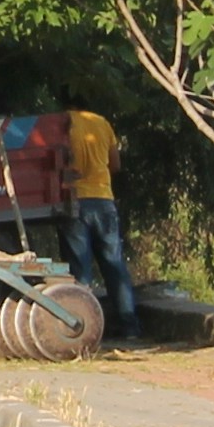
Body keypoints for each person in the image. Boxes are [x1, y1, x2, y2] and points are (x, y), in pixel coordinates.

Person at [62, 105, 132, 339]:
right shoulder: (103, 123)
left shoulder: (64, 122)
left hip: (75, 201)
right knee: (115, 265)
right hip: (104, 200)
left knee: (81, 269)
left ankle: (86, 327)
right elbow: (116, 165)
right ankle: (129, 326)